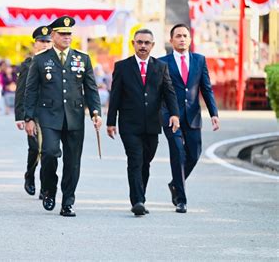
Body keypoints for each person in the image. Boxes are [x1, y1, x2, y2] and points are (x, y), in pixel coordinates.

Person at [24, 16, 102, 217]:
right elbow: (31, 90)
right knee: (49, 153)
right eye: (62, 34)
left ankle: (68, 201)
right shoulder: (41, 59)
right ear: (53, 35)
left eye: (69, 34)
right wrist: (29, 118)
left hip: (75, 116)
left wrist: (95, 112)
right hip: (49, 116)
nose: (67, 37)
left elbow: (91, 88)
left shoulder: (82, 58)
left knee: (73, 161)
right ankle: (49, 190)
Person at [106, 28, 180, 216]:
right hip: (129, 124)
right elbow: (115, 96)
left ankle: (141, 196)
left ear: (152, 46)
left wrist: (174, 114)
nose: (143, 46)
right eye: (139, 42)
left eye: (147, 43)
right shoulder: (122, 67)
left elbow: (169, 92)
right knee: (135, 160)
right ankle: (137, 200)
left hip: (152, 124)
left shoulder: (160, 67)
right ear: (133, 44)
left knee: (146, 161)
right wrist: (110, 121)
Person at [160, 24, 219, 214]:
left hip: (193, 116)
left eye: (185, 35)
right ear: (171, 40)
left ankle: (175, 183)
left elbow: (206, 88)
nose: (182, 39)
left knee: (193, 154)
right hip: (171, 117)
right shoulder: (162, 63)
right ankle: (181, 200)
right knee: (178, 153)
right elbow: (158, 93)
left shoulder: (199, 61)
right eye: (178, 36)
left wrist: (214, 114)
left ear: (190, 39)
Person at [14, 25, 52, 199]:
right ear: (35, 43)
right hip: (33, 113)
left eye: (48, 41)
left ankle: (45, 186)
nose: (45, 44)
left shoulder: (57, 63)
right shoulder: (28, 64)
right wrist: (20, 116)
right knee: (35, 147)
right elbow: (21, 91)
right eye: (41, 41)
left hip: (51, 113)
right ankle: (30, 175)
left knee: (48, 151)